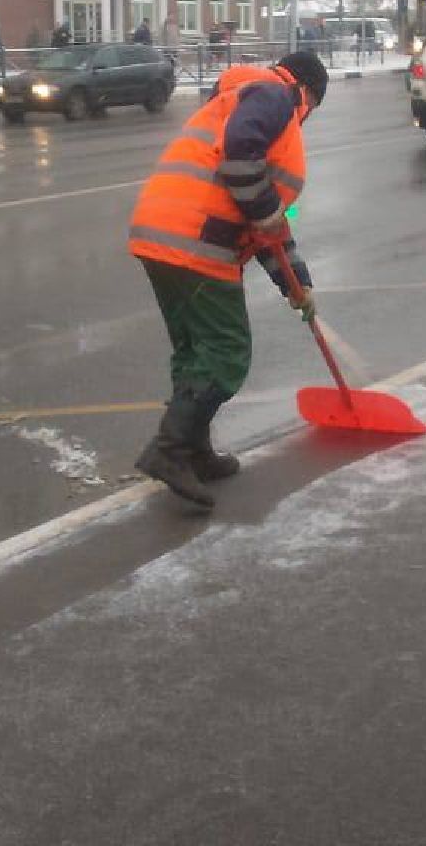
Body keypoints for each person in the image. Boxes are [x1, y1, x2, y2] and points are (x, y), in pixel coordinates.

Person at [127, 51, 330, 510]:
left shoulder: (238, 97)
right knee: (226, 351)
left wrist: (296, 284)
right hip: (196, 242)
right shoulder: (277, 96)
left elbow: (268, 228)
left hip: (158, 233)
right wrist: (266, 213)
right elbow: (244, 166)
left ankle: (193, 450)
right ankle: (170, 449)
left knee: (194, 350)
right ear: (309, 94)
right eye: (313, 109)